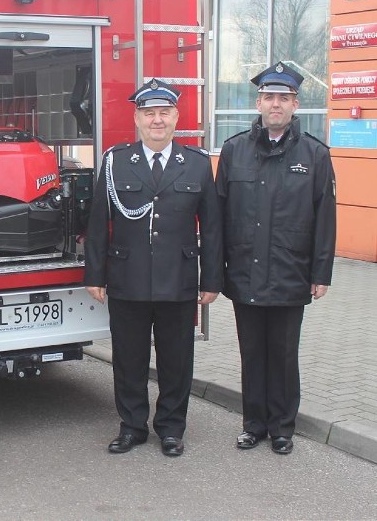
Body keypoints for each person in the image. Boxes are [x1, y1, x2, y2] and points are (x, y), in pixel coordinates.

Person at [84, 79, 223, 457]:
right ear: (137, 118)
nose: (156, 120)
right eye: (149, 113)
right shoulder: (115, 161)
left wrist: (212, 278)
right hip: (127, 277)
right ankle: (132, 426)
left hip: (178, 280)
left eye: (163, 113)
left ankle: (171, 428)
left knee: (176, 360)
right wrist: (94, 273)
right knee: (128, 359)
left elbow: (212, 226)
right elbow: (99, 221)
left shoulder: (195, 164)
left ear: (176, 117)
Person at [215, 61, 336, 455]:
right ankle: (254, 425)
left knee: (283, 356)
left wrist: (321, 272)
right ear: (259, 103)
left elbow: (325, 219)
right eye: (269, 98)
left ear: (296, 104)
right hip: (246, 273)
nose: (276, 105)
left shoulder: (315, 155)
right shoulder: (234, 151)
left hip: (290, 272)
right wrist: (214, 275)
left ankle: (283, 427)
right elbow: (218, 218)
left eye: (284, 98)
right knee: (252, 354)